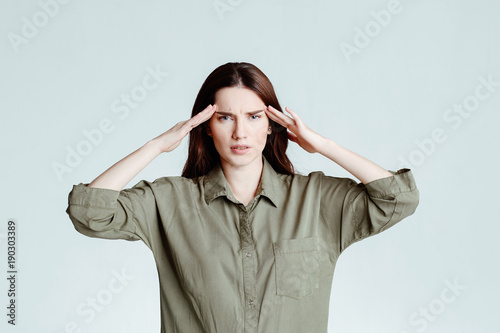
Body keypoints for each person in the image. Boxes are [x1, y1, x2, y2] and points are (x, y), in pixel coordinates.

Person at [66, 62, 419, 333]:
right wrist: (156, 146)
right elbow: (88, 212)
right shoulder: (169, 202)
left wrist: (323, 146)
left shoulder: (316, 200)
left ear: (271, 123)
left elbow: (398, 199)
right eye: (224, 118)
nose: (240, 132)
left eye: (253, 117)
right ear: (206, 124)